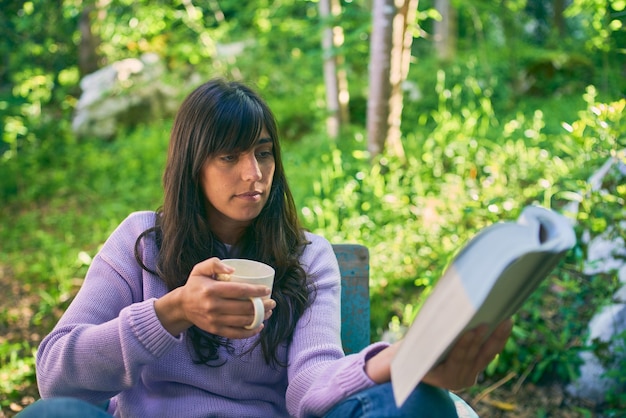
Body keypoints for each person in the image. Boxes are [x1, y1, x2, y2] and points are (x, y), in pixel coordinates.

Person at [19, 78, 512, 418]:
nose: (253, 175)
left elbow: (309, 385)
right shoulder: (141, 242)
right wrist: (173, 311)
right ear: (193, 166)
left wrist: (401, 359)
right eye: (229, 156)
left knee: (418, 402)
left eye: (262, 152)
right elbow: (56, 374)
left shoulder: (307, 257)